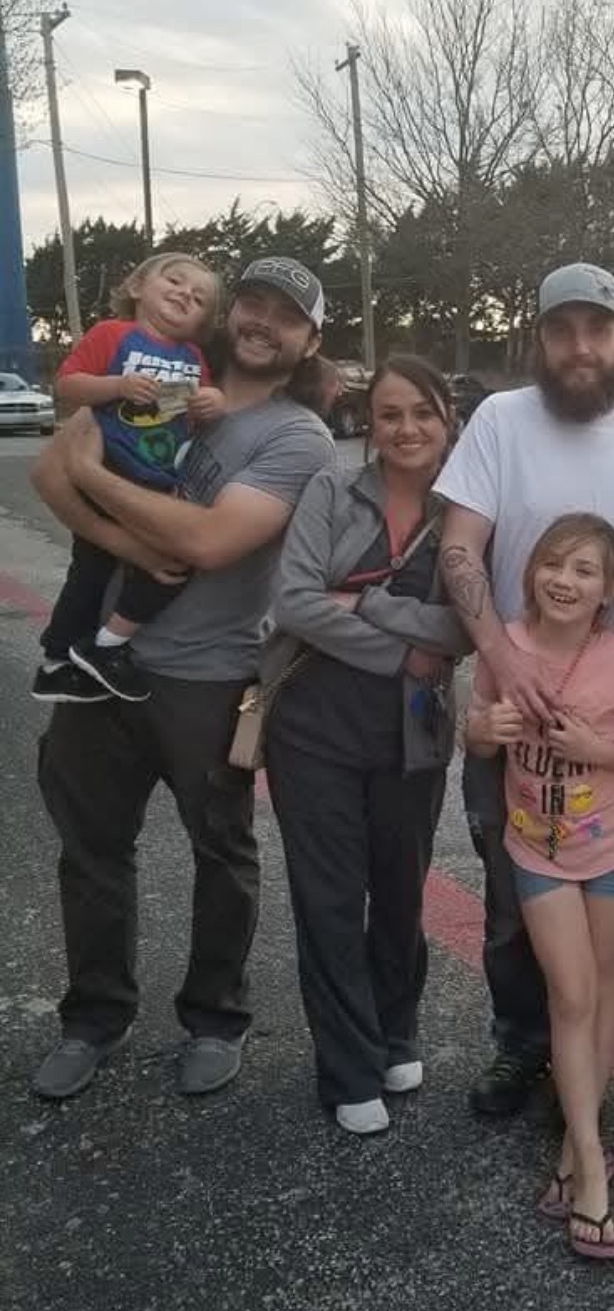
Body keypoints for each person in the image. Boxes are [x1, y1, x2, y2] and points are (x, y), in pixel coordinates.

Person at [30, 256, 337, 1102]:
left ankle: (213, 1018)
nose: (262, 322)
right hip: (102, 664)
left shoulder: (295, 436)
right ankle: (94, 1018)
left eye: (286, 315)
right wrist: (117, 528)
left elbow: (206, 542)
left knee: (221, 852)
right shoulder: (159, 380)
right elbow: (50, 474)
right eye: (253, 303)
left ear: (310, 340)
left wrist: (96, 478)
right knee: (90, 849)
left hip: (212, 677)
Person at [436, 262, 614, 1118]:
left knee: (605, 896)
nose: (581, 347)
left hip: (610, 715)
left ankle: (589, 1049)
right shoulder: (500, 420)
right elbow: (459, 547)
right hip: (512, 707)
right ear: (537, 339)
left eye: (597, 329)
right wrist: (504, 660)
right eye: (563, 330)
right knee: (512, 903)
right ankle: (522, 1043)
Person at [265, 356, 469, 1136]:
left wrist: (371, 605)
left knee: (401, 886)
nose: (406, 428)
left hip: (414, 729)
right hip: (313, 725)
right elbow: (295, 601)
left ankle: (395, 1030)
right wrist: (403, 649)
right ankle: (347, 1067)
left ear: (447, 418)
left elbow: (466, 624)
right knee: (329, 899)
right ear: (369, 423)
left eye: (422, 412)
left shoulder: (466, 509)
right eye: (390, 414)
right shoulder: (331, 489)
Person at [465, 513, 614, 1258]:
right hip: (537, 848)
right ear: (531, 573)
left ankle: (573, 1148)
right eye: (553, 564)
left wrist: (594, 748)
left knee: (604, 988)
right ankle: (590, 1160)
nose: (564, 580)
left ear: (610, 589)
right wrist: (485, 730)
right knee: (572, 995)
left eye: (584, 570)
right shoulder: (505, 649)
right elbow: (474, 731)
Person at [33, 252, 224, 706]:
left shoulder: (192, 356)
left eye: (199, 298)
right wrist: (116, 386)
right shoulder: (112, 334)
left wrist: (213, 402)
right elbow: (67, 385)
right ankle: (68, 658)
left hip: (158, 475)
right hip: (112, 466)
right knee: (96, 567)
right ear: (138, 287)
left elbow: (194, 412)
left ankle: (91, 649)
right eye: (174, 281)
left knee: (162, 562)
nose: (185, 294)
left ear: (202, 322)